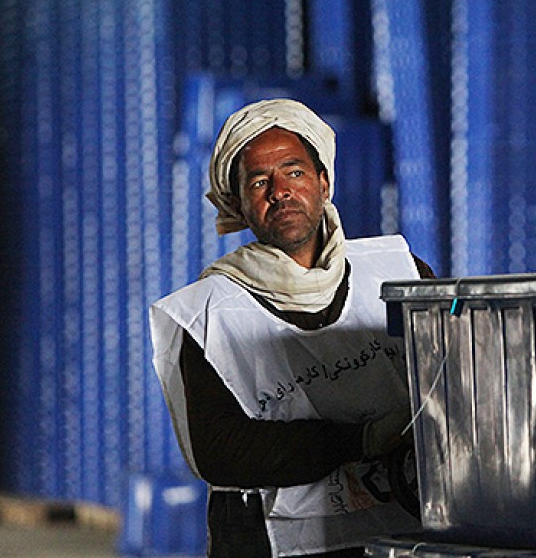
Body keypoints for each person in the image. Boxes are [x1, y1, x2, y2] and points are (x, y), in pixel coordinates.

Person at [150, 99, 431, 558]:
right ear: (239, 205)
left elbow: (452, 382)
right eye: (259, 181)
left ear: (323, 183)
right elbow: (220, 451)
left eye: (294, 172)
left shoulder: (398, 273)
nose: (279, 191)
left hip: (397, 535)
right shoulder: (207, 314)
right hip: (267, 544)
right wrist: (362, 439)